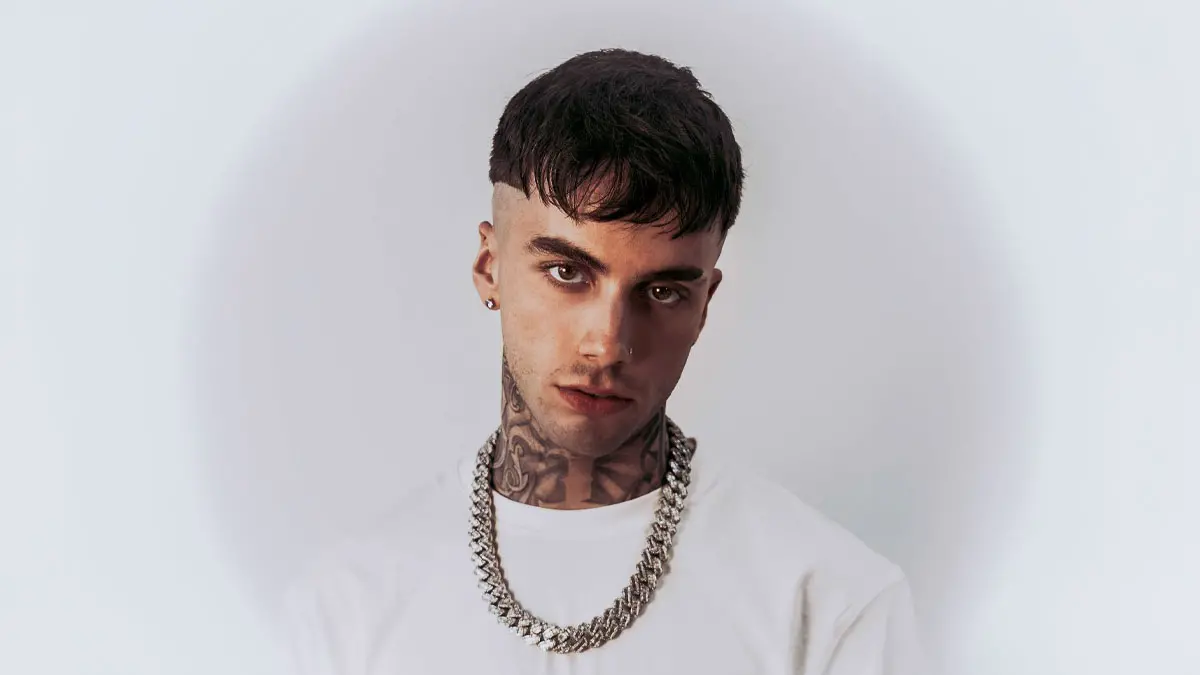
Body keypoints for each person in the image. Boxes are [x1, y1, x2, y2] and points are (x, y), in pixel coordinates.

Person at [282, 47, 925, 674]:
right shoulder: (349, 606)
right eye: (567, 273)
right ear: (489, 267)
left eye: (663, 292)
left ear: (704, 305)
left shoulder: (831, 600)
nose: (608, 345)